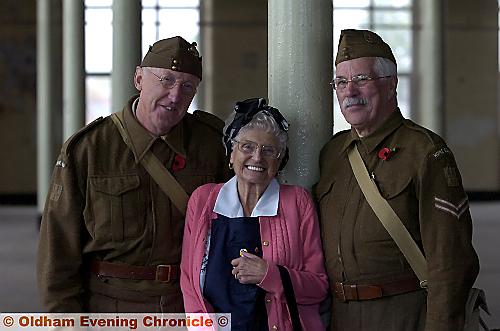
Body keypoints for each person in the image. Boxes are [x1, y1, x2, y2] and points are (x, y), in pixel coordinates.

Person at [37, 36, 231, 312]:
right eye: (166, 80)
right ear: (139, 79)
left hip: (192, 304)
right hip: (112, 306)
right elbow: (58, 251)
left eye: (187, 86)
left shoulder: (212, 145)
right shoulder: (90, 149)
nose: (175, 95)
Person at [315, 29, 479, 331]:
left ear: (391, 84)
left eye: (362, 80)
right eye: (341, 82)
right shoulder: (332, 153)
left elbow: (451, 261)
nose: (349, 91)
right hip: (340, 318)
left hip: (403, 315)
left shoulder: (425, 151)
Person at [181, 98, 329, 330]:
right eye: (247, 146)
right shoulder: (202, 201)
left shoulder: (297, 202)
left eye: (269, 150)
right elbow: (189, 284)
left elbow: (318, 287)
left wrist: (269, 274)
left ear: (279, 161)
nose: (257, 157)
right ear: (231, 153)